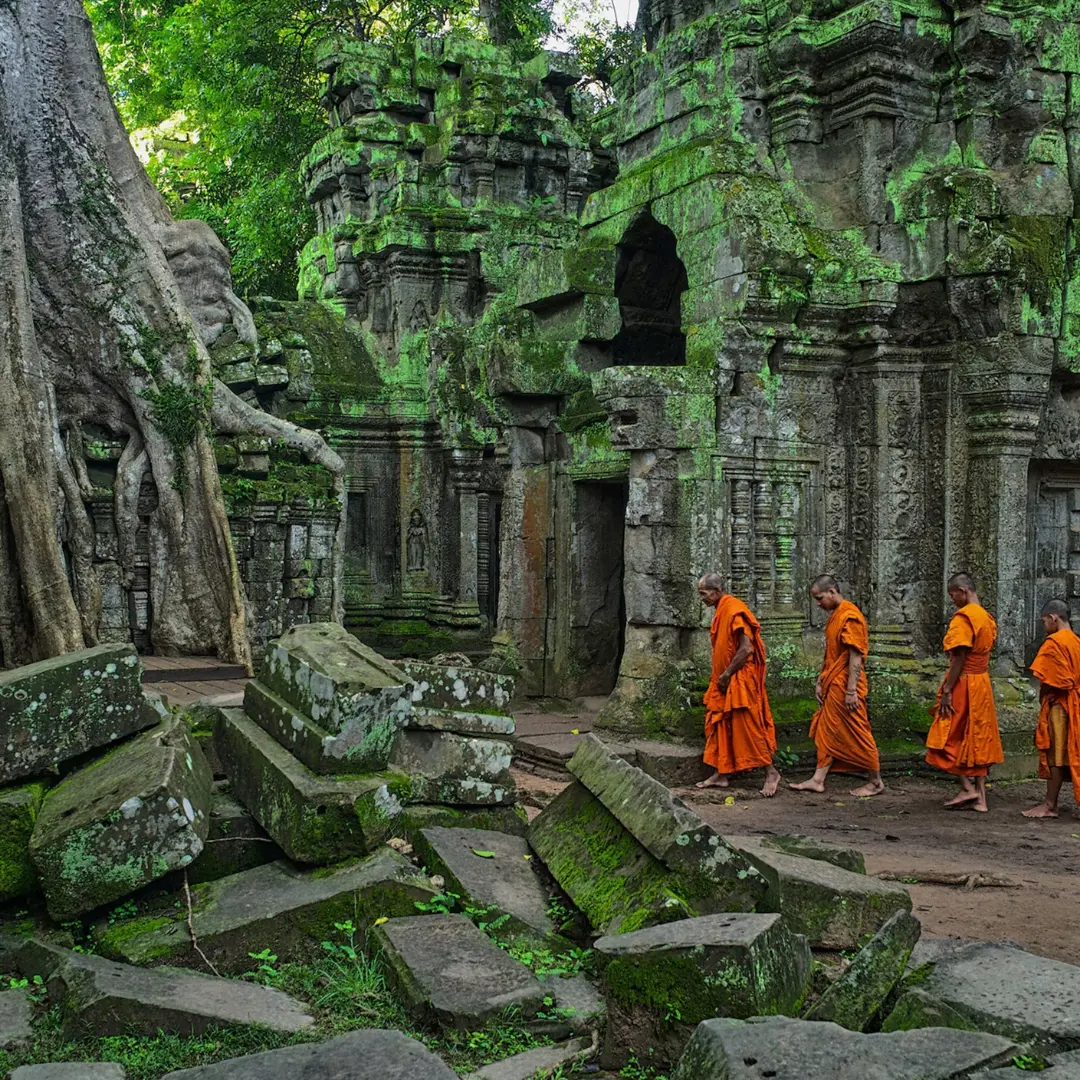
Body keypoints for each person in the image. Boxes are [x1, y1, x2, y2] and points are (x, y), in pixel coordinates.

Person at [789, 575, 885, 797]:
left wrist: (851, 690)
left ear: (832, 591)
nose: (818, 603)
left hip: (846, 685)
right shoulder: (836, 616)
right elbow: (831, 654)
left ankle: (876, 781)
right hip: (833, 682)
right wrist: (820, 681)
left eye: (820, 598)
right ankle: (818, 779)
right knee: (827, 729)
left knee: (858, 730)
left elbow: (855, 655)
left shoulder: (850, 616)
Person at [694, 572, 781, 797]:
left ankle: (771, 772)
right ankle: (721, 774)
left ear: (717, 591)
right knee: (718, 724)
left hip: (739, 678)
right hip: (724, 679)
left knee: (748, 726)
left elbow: (746, 648)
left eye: (703, 593)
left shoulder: (734, 610)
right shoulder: (721, 610)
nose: (701, 598)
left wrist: (727, 674)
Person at [925, 572, 1004, 812]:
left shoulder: (964, 617)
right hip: (982, 682)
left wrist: (948, 688)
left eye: (953, 595)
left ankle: (967, 787)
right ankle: (980, 797)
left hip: (964, 682)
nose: (952, 600)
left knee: (945, 734)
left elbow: (959, 656)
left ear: (964, 591)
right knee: (977, 736)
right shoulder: (986, 618)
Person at [1022, 598, 1080, 818]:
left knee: (1056, 752)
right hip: (1076, 702)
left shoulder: (1053, 643)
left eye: (1044, 621)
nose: (1044, 626)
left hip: (1061, 706)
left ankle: (1050, 804)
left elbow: (1050, 681)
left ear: (1053, 618)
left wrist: (1043, 700)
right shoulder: (1076, 641)